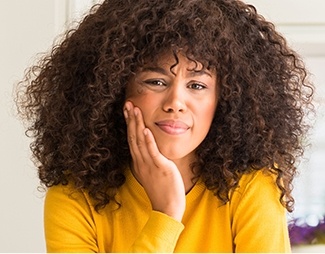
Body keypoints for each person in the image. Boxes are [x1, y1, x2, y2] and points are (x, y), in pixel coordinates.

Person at [16, 0, 314, 252]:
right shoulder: (74, 197)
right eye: (156, 81)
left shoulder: (252, 187)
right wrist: (165, 215)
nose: (176, 102)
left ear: (223, 101)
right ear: (113, 90)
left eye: (197, 85)